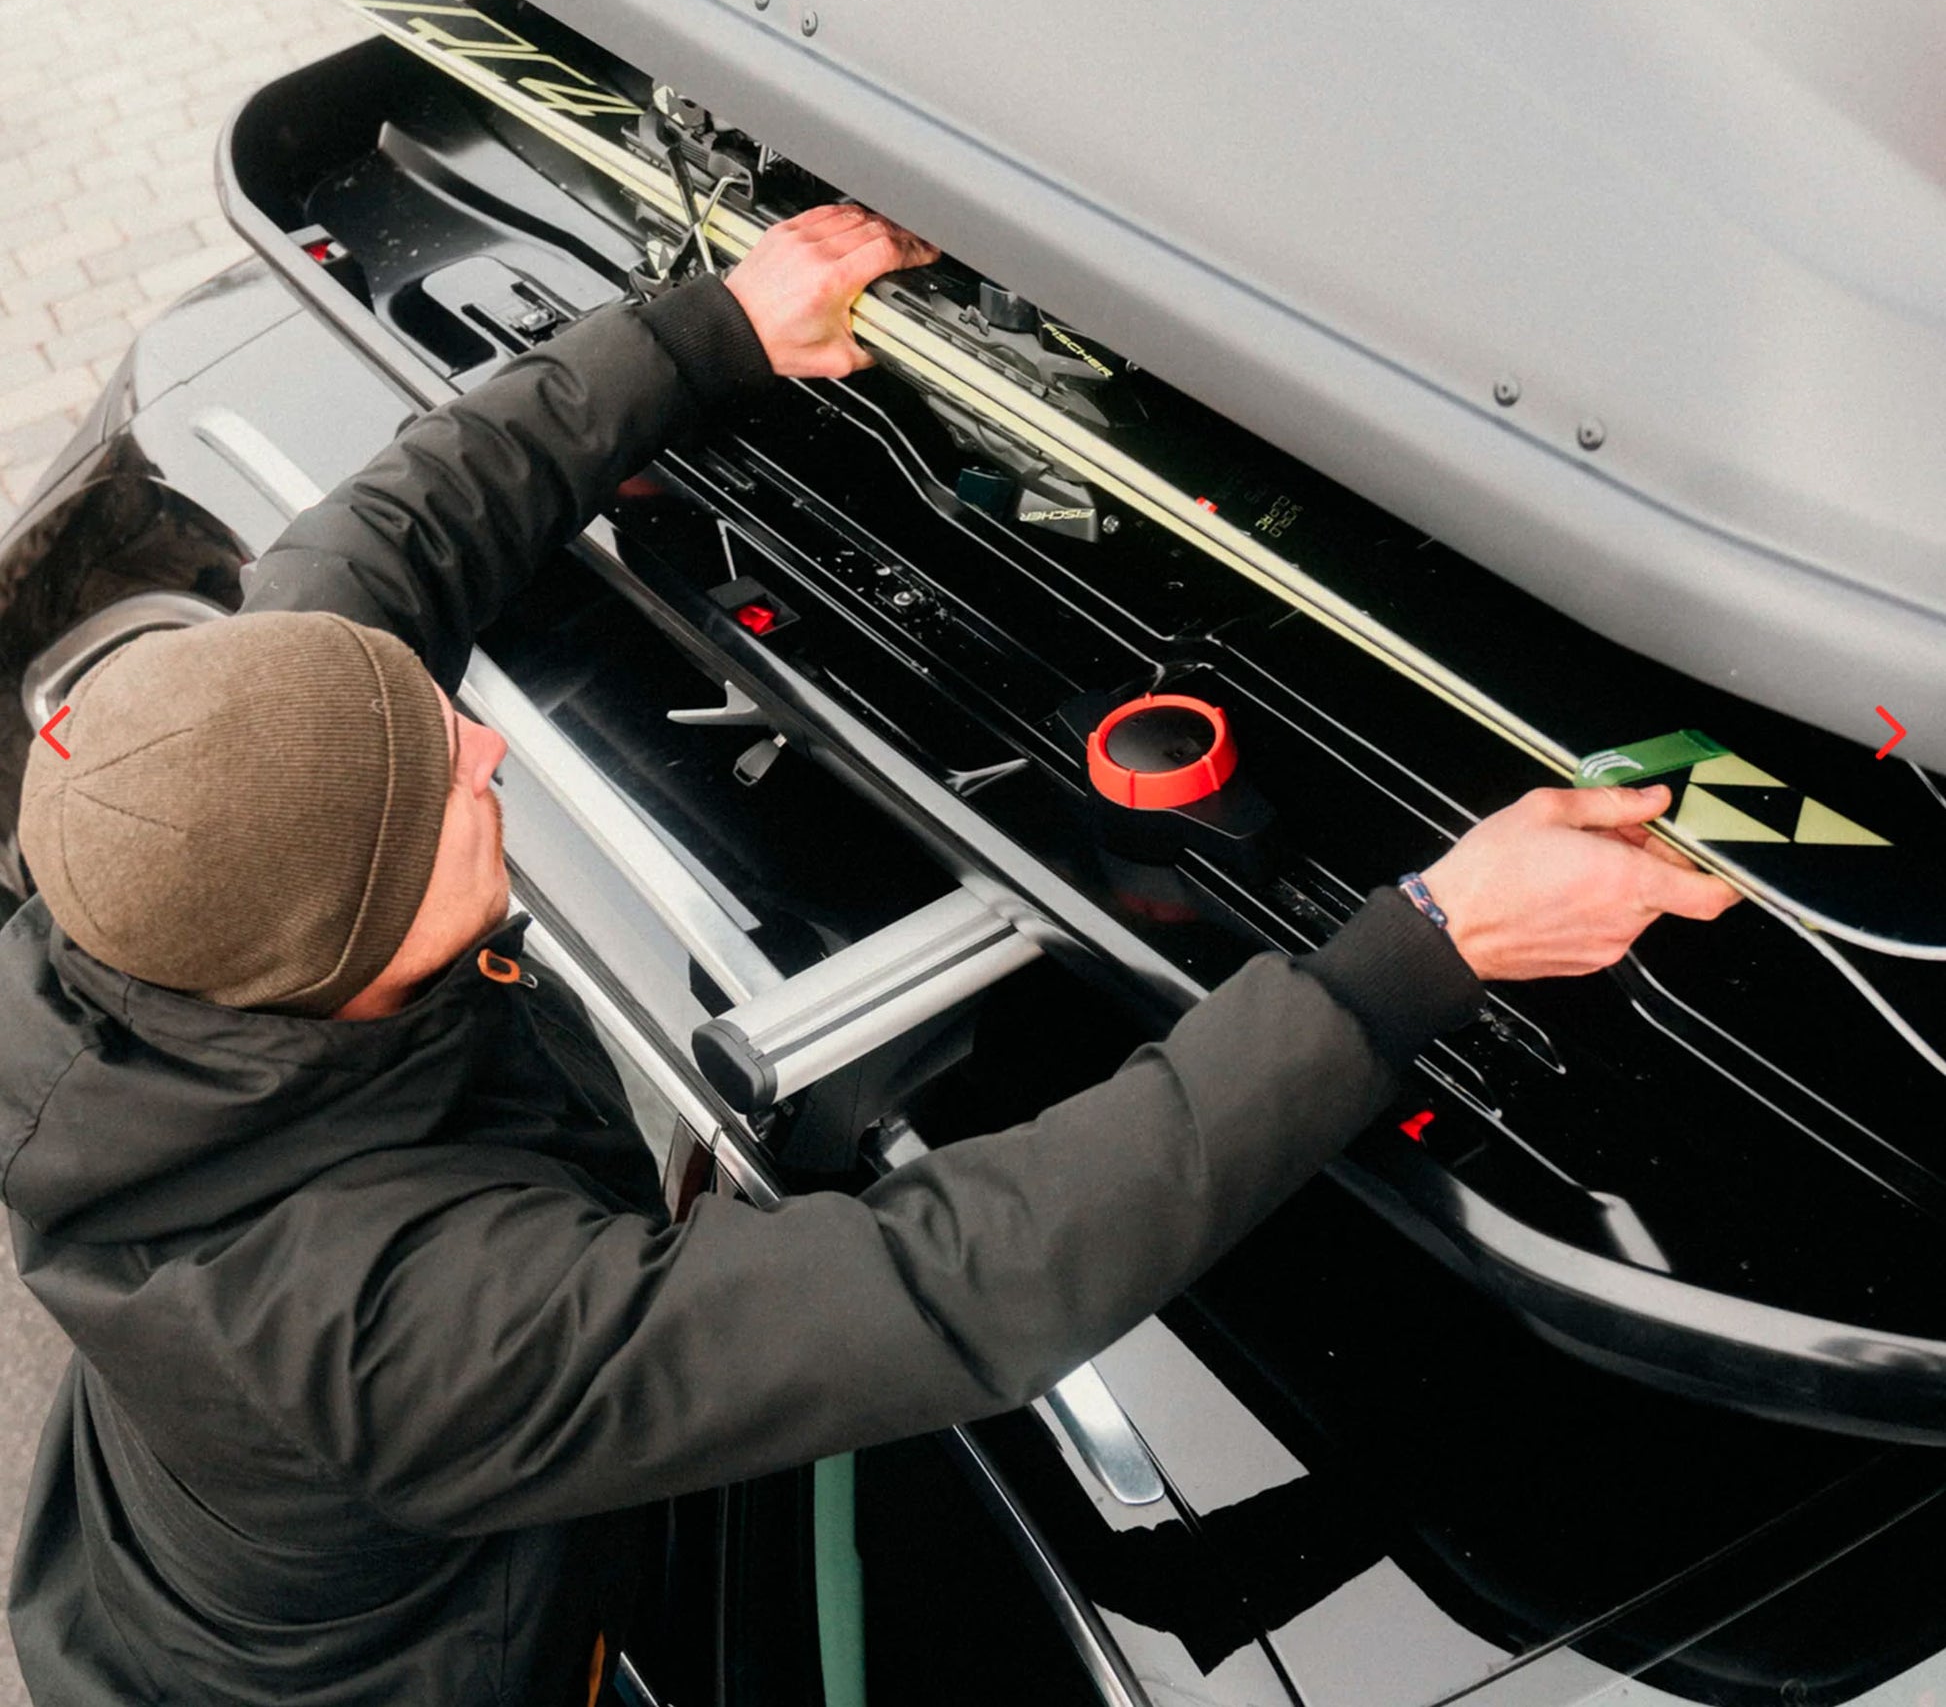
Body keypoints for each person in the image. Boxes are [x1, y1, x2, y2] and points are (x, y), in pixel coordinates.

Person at [0, 205, 1736, 1706]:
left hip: (197, 1538)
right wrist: (1429, 947)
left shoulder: (206, 855)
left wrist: (711, 327)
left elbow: (385, 540)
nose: (482, 747)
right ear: (344, 947)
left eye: (431, 719)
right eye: (446, 791)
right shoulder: (398, 1338)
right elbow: (958, 1281)